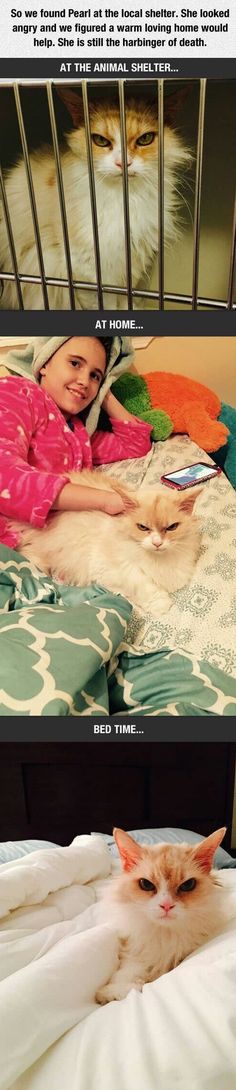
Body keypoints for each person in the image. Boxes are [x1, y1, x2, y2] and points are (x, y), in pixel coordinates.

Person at [0, 335, 152, 550]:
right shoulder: (15, 392)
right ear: (45, 364)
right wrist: (104, 500)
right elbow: (3, 475)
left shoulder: (80, 434)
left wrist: (103, 392)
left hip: (41, 550)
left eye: (94, 376)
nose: (84, 381)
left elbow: (135, 445)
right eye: (75, 363)